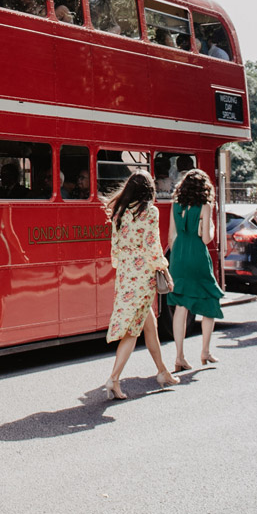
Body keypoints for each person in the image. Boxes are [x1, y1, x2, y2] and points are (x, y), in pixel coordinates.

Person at [102, 170, 178, 399]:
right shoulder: (149, 212)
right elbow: (152, 246)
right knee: (133, 331)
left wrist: (124, 264)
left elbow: (115, 247)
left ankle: (163, 371)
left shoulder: (119, 212)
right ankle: (113, 379)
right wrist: (164, 269)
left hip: (125, 275)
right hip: (143, 277)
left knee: (149, 325)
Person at [167, 169, 224, 370]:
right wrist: (212, 227)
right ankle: (205, 351)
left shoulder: (175, 205)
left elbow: (170, 238)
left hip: (178, 256)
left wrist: (178, 258)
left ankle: (179, 356)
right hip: (197, 255)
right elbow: (207, 238)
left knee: (180, 307)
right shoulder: (205, 206)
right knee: (210, 300)